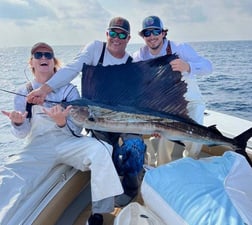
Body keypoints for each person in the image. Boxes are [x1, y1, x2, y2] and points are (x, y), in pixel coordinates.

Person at [26, 17, 146, 212]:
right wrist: (45, 89)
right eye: (113, 33)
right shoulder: (94, 50)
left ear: (128, 38)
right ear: (107, 34)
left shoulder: (131, 64)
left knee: (134, 147)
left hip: (124, 121)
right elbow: (72, 69)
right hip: (96, 120)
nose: (116, 38)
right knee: (107, 150)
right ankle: (115, 179)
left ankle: (131, 187)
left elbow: (138, 100)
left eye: (121, 34)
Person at [0, 42, 123, 225]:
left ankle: (99, 212)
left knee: (102, 149)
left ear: (53, 61)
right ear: (31, 62)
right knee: (8, 174)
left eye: (48, 55)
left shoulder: (69, 90)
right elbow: (22, 134)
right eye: (38, 55)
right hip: (38, 147)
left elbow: (77, 129)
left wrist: (61, 122)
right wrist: (17, 123)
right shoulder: (22, 92)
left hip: (67, 142)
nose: (44, 58)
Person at [133, 16, 213, 164]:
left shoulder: (180, 48)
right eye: (147, 33)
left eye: (155, 31)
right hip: (164, 108)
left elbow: (208, 67)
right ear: (143, 36)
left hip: (191, 103)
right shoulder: (139, 56)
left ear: (163, 33)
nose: (152, 36)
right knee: (162, 140)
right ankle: (162, 170)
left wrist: (188, 66)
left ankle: (189, 164)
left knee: (194, 138)